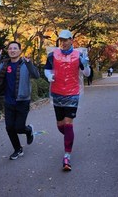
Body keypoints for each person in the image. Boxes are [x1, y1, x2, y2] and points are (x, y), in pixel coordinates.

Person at [44, 30, 90, 171]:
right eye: (60, 40)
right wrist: (49, 76)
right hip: (57, 93)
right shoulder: (52, 55)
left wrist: (86, 64)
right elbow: (47, 69)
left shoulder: (79, 55)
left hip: (72, 93)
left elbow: (87, 74)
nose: (62, 43)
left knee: (68, 123)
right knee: (60, 125)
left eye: (65, 40)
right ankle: (69, 138)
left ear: (71, 40)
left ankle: (67, 156)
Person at [0, 41, 40, 160]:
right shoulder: (4, 64)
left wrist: (29, 63)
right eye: (10, 48)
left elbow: (36, 76)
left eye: (15, 48)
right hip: (9, 101)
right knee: (9, 127)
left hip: (23, 101)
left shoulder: (25, 64)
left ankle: (28, 130)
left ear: (20, 51)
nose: (12, 50)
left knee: (19, 127)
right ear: (8, 51)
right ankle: (18, 149)